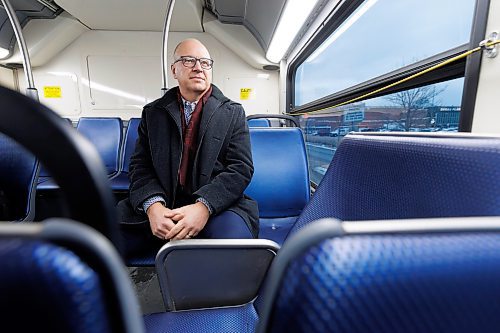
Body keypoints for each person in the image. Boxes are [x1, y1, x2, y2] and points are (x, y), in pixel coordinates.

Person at [118, 38, 258, 257]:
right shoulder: (153, 113)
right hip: (164, 203)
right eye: (188, 60)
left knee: (234, 249)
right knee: (105, 242)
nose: (198, 67)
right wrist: (153, 207)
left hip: (218, 206)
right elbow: (140, 165)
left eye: (205, 62)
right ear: (174, 70)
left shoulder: (233, 112)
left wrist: (204, 207)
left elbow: (241, 168)